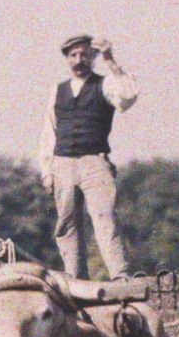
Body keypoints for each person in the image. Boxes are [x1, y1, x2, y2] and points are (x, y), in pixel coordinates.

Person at [37, 33, 139, 280]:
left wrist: (110, 59)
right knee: (67, 224)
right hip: (62, 163)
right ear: (67, 59)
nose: (79, 59)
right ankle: (76, 278)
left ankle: (119, 275)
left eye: (84, 54)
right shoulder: (57, 90)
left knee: (105, 218)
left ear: (92, 57)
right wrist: (47, 171)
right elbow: (49, 131)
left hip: (95, 161)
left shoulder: (105, 84)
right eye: (73, 55)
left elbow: (127, 97)